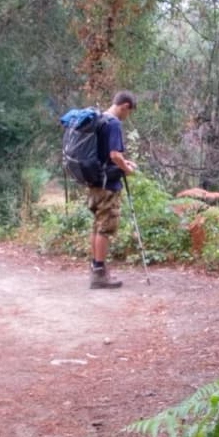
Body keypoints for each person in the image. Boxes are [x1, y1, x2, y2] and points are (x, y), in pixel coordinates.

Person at [85, 91, 138, 289]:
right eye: (129, 112)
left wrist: (123, 162)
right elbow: (115, 155)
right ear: (125, 106)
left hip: (95, 181)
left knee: (97, 225)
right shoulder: (114, 123)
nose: (127, 116)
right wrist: (127, 169)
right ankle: (99, 274)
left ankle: (95, 267)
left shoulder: (99, 120)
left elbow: (104, 155)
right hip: (108, 185)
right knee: (105, 228)